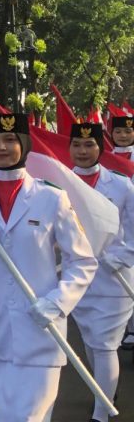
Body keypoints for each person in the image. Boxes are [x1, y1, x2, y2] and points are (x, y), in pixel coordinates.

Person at [0, 113, 96, 422]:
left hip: (39, 323)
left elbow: (83, 261)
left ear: (25, 144)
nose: (0, 147)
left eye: (9, 140)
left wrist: (57, 302)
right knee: (2, 414)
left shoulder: (51, 197)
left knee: (32, 416)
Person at [68, 122, 134, 422]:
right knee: (90, 341)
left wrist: (121, 257)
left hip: (113, 279)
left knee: (105, 344)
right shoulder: (62, 184)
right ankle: (105, 389)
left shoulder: (121, 185)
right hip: (77, 278)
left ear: (100, 147)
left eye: (89, 145)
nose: (83, 151)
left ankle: (101, 412)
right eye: (77, 145)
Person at [109, 115, 134, 349]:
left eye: (128, 132)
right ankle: (122, 325)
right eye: (119, 132)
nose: (124, 136)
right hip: (116, 226)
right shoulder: (106, 158)